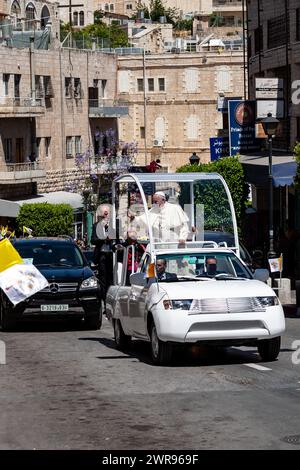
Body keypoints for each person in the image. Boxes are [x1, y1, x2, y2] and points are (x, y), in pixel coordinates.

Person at [91, 204, 115, 300]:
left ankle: (111, 299)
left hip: (113, 254)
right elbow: (93, 240)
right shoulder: (96, 225)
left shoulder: (114, 224)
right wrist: (104, 239)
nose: (105, 216)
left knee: (112, 278)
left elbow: (119, 237)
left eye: (107, 213)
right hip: (102, 255)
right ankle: (104, 300)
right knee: (103, 279)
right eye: (104, 214)